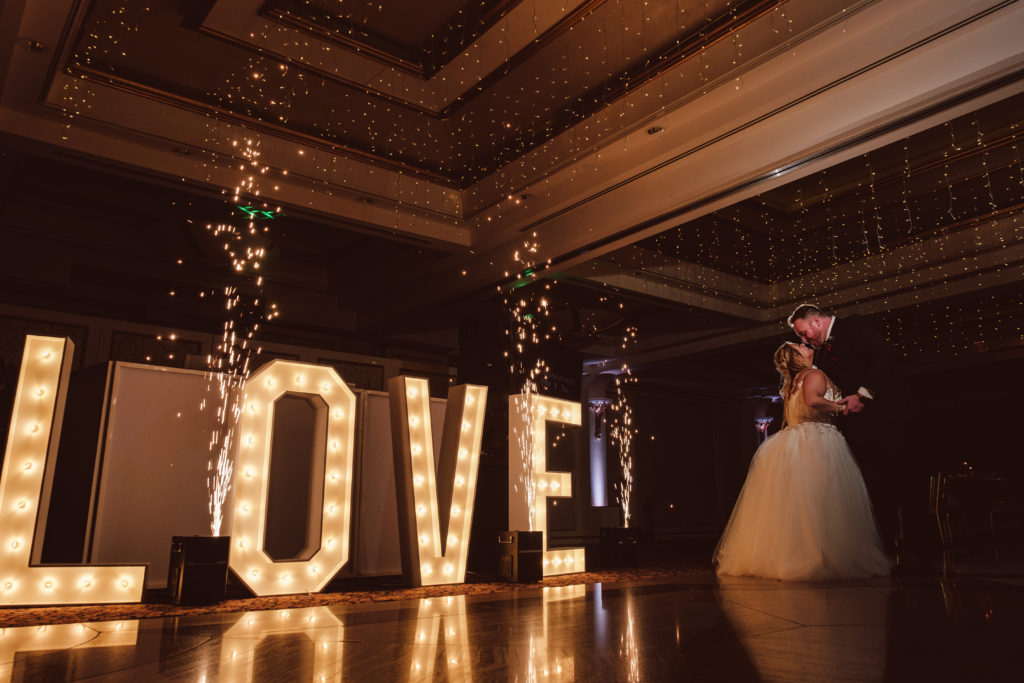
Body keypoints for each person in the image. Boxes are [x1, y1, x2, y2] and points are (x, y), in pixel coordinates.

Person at [714, 342, 889, 580]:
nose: (805, 345)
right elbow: (812, 401)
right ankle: (821, 556)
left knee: (801, 503)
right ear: (796, 357)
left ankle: (799, 554)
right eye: (799, 346)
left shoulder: (791, 382)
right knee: (824, 500)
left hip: (797, 438)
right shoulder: (814, 374)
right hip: (817, 438)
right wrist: (839, 405)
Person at [787, 304, 925, 564]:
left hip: (893, 421)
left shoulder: (855, 326)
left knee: (908, 486)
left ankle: (918, 550)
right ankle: (884, 549)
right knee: (875, 490)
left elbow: (885, 358)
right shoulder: (822, 357)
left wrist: (863, 395)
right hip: (862, 431)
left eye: (804, 333)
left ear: (816, 321)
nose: (804, 339)